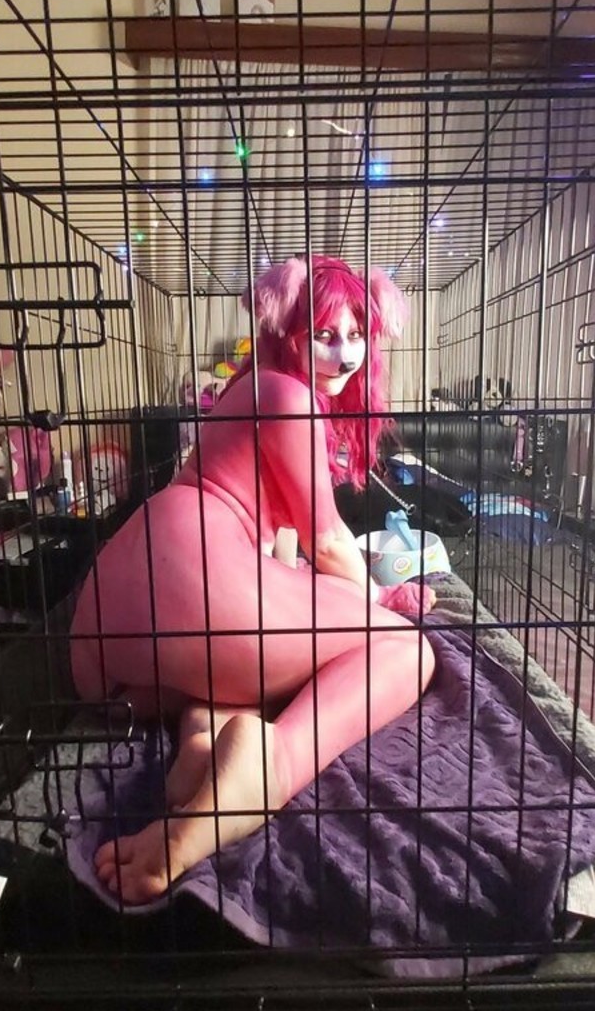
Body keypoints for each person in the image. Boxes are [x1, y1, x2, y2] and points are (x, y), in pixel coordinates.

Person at [70, 255, 437, 903]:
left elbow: (280, 555)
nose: (345, 353)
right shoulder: (290, 398)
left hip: (106, 661)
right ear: (286, 329)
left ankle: (203, 737)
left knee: (254, 660)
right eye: (325, 335)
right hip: (198, 574)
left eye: (356, 335)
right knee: (409, 649)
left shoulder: (248, 389)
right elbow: (328, 544)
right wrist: (383, 602)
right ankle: (271, 764)